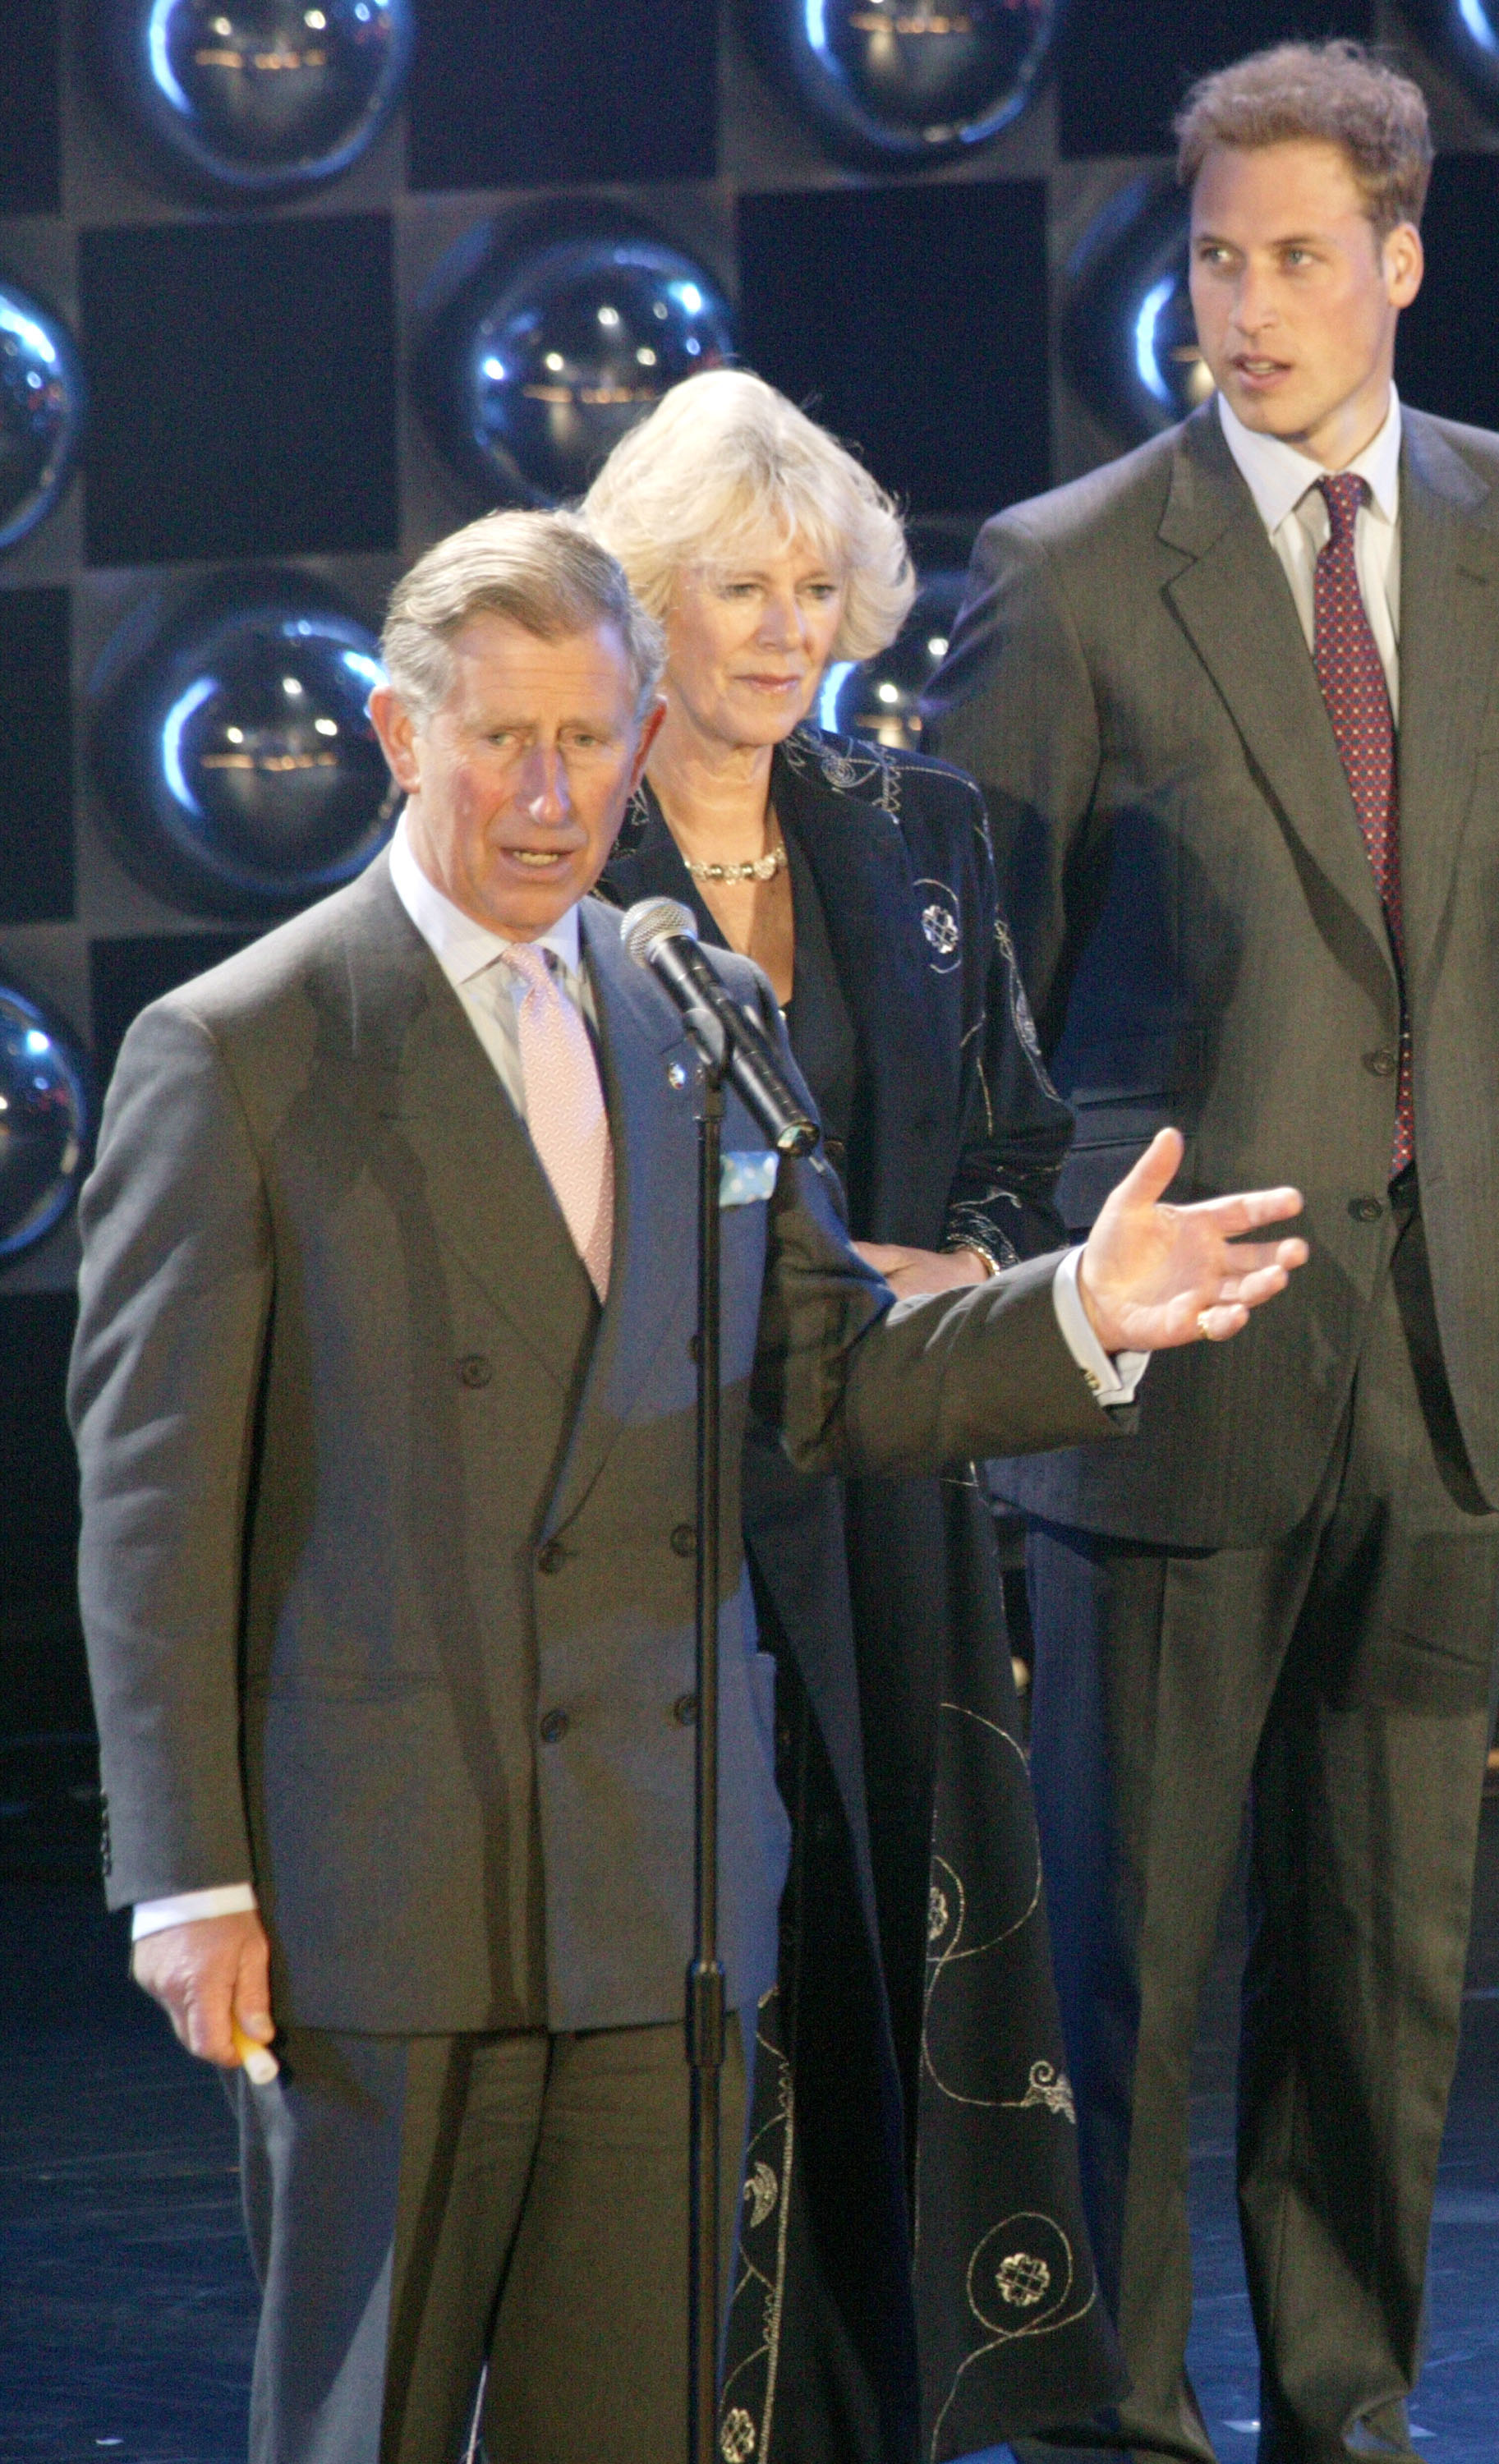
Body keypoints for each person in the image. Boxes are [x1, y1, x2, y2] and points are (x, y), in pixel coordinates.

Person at [70, 507, 1309, 2464]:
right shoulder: (240, 1046)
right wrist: (192, 1881)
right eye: (501, 741)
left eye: (588, 741)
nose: (549, 794)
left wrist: (1082, 1310)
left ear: (644, 747)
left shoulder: (691, 1021)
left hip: (667, 1881)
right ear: (403, 737)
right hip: (387, 1887)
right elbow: (150, 1520)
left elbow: (826, 1375)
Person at [924, 40, 1499, 2464]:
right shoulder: (1064, 569)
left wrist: (1431, 1148)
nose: (1245, 306)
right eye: (1215, 260)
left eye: (1296, 257)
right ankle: (1115, 2420)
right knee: (1128, 1957)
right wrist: (1060, 1318)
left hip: (1443, 1360)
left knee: (1386, 1962)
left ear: (1400, 261)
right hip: (1170, 1378)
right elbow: (980, 993)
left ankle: (1349, 2405)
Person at [586, 368, 1106, 2462]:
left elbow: (1016, 1147)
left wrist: (958, 1274)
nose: (788, 626)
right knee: (719, 1998)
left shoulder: (922, 829)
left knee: (890, 1978)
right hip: (651, 1516)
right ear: (647, 603)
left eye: (817, 583)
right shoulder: (560, 832)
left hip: (891, 1500)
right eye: (738, 585)